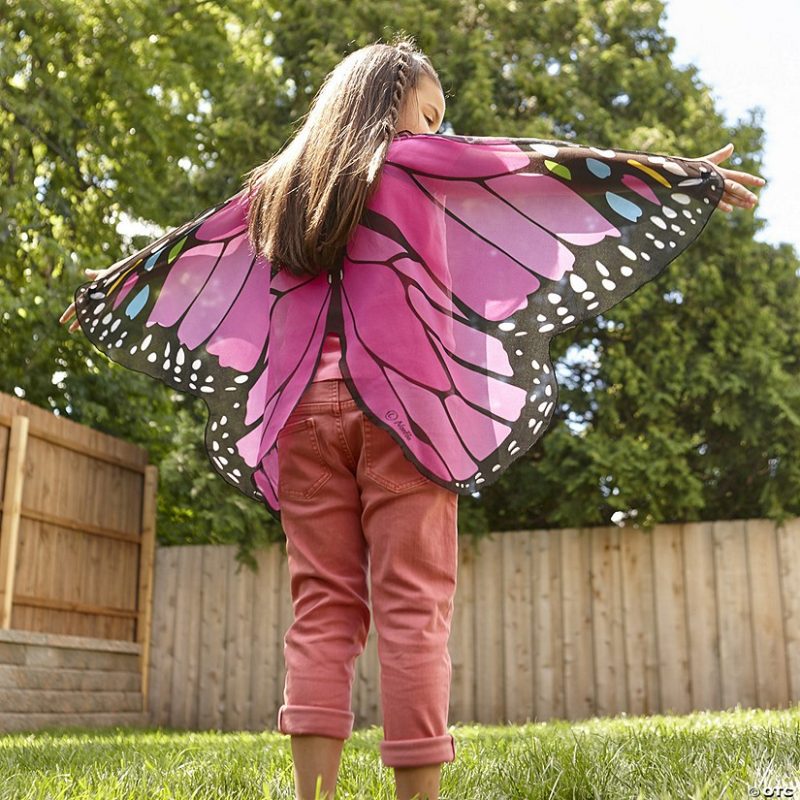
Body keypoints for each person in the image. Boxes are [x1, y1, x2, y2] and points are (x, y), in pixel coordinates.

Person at [60, 33, 765, 800]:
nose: (436, 131)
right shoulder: (420, 162)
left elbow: (195, 249)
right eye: (428, 114)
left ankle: (314, 797)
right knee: (413, 605)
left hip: (298, 418)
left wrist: (120, 287)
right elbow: (540, 170)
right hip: (401, 412)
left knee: (322, 605)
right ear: (387, 105)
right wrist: (673, 177)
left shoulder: (276, 189)